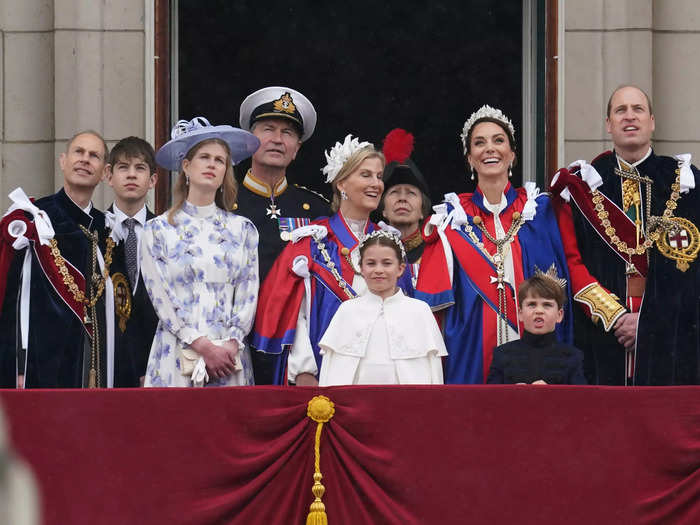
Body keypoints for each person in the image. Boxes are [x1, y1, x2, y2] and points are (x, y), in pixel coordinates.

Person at [550, 85, 700, 385]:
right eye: (620, 110)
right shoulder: (584, 185)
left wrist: (647, 322)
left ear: (652, 121)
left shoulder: (686, 182)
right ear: (608, 124)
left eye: (637, 109)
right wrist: (616, 317)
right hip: (603, 336)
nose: (629, 117)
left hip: (671, 337)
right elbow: (571, 263)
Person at [416, 105, 574, 384]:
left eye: (498, 140)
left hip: (536, 348)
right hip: (470, 348)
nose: (490, 148)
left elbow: (562, 282)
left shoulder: (540, 211)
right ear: (469, 159)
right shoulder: (452, 219)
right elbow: (432, 311)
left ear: (512, 155)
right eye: (479, 143)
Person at [252, 135, 413, 386]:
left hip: (384, 376)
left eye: (379, 176)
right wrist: (304, 370)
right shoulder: (312, 242)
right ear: (341, 184)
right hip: (325, 374)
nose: (376, 184)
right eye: (365, 175)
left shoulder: (390, 244)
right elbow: (295, 315)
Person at [141, 117, 260, 387]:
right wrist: (200, 344)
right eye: (204, 157)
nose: (211, 164)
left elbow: (248, 293)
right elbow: (161, 297)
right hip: (176, 351)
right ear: (186, 166)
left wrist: (231, 343)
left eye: (220, 160)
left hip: (230, 357)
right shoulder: (157, 230)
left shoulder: (243, 230)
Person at [0, 130, 116, 388]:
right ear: (63, 161)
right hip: (39, 367)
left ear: (105, 173)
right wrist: (16, 364)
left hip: (92, 366)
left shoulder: (106, 228)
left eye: (94, 155)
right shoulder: (33, 220)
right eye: (79, 152)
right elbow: (10, 300)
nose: (85, 160)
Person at [318, 231, 446, 385]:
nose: (378, 270)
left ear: (400, 268)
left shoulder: (420, 310)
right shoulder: (347, 310)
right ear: (361, 268)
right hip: (357, 404)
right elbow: (330, 371)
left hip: (407, 404)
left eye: (387, 263)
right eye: (371, 263)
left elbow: (434, 371)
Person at [237, 86, 330, 280]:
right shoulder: (223, 202)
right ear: (248, 141)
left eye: (287, 132)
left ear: (296, 148)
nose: (277, 140)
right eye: (269, 129)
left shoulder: (316, 209)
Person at [104, 136, 159, 387]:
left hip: (157, 358)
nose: (131, 175)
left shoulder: (166, 232)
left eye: (140, 168)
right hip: (108, 360)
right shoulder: (94, 231)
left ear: (152, 180)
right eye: (123, 167)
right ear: (109, 175)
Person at [487, 268, 586, 385]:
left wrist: (551, 394)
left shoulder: (572, 357)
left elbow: (580, 401)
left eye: (547, 305)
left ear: (559, 315)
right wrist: (511, 395)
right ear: (520, 314)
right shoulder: (502, 355)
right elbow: (490, 400)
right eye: (532, 304)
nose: (539, 311)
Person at [377, 128, 432, 285]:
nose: (402, 198)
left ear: (423, 210)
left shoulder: (436, 251)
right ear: (384, 210)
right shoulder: (369, 250)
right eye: (394, 192)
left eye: (411, 193)